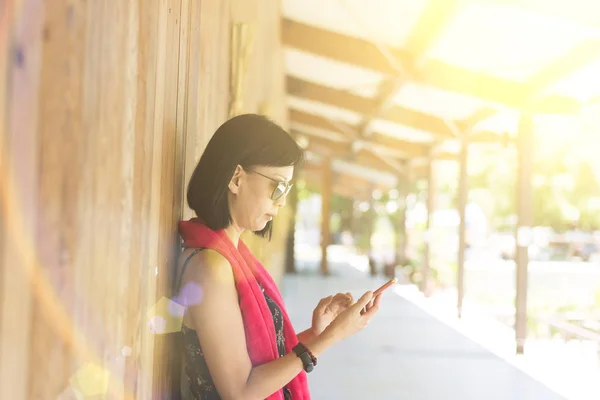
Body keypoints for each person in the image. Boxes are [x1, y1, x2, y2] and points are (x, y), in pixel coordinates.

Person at [175, 114, 382, 400]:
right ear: (236, 178)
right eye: (278, 186)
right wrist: (331, 339)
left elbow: (254, 359)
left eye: (287, 189)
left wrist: (318, 333)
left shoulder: (231, 257)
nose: (282, 201)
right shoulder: (211, 268)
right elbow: (241, 391)